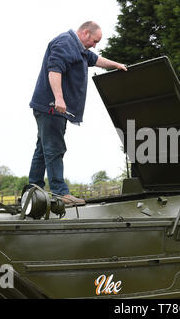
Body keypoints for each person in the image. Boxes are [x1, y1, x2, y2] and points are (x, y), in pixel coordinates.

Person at [28, 21, 127, 205]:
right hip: (51, 107)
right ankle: (60, 193)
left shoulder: (79, 48)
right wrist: (59, 98)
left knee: (43, 149)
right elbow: (54, 70)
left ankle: (33, 191)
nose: (95, 45)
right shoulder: (66, 43)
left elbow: (96, 59)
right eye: (95, 40)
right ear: (85, 33)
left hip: (51, 108)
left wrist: (117, 65)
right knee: (54, 149)